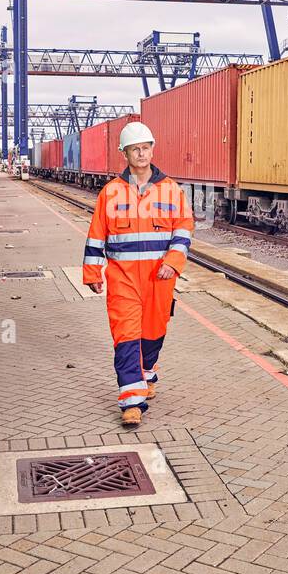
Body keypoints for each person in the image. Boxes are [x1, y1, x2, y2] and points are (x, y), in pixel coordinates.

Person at [82, 122, 194, 427]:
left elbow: (184, 229)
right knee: (126, 335)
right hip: (123, 279)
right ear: (126, 153)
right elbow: (96, 235)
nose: (141, 153)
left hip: (160, 277)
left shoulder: (170, 189)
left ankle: (147, 372)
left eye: (145, 147)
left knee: (153, 333)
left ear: (152, 149)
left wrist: (174, 261)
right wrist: (93, 272)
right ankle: (132, 401)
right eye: (135, 148)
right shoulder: (111, 192)